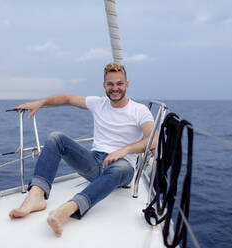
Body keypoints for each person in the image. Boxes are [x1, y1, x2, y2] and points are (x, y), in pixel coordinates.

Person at [9, 62, 155, 237]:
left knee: (118, 169)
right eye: (110, 84)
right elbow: (67, 99)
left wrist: (125, 150)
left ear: (127, 84)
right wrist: (41, 102)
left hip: (122, 168)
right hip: (95, 163)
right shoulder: (97, 103)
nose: (115, 88)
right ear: (104, 85)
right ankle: (36, 196)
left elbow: (153, 140)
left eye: (119, 83)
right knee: (56, 138)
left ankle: (68, 208)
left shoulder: (140, 110)